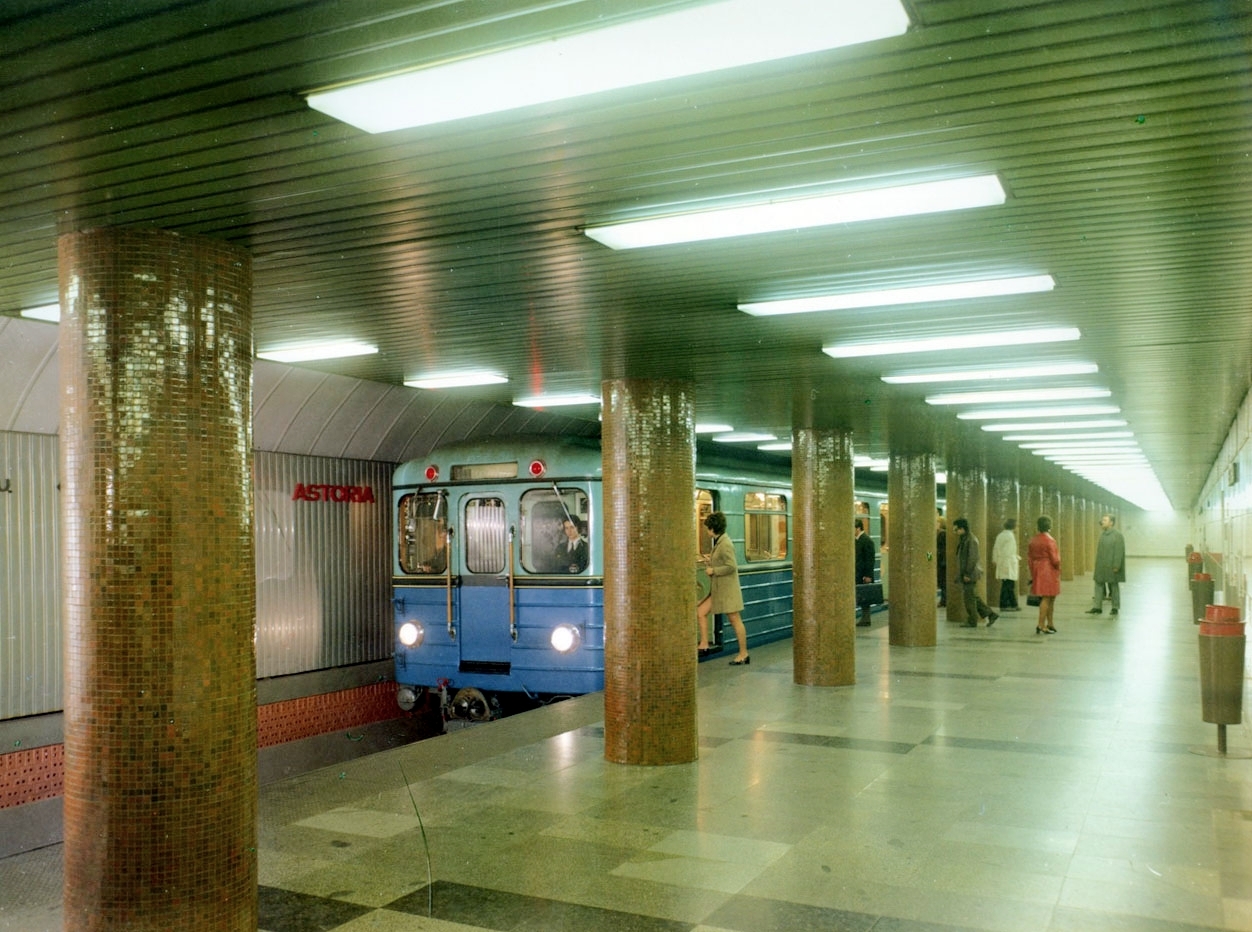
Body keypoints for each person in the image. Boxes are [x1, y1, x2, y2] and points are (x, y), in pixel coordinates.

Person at [696, 511, 749, 664]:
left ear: (713, 529)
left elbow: (731, 566)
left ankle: (744, 654)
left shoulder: (725, 544)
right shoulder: (720, 542)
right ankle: (704, 644)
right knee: (700, 612)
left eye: (708, 528)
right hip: (719, 590)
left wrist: (714, 570)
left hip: (727, 590)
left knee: (735, 620)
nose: (707, 531)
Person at [952, 517, 998, 628]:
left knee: (969, 598)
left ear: (962, 528)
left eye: (956, 529)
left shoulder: (970, 539)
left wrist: (967, 574)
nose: (955, 532)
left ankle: (972, 620)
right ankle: (990, 614)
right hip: (967, 573)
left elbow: (972, 558)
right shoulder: (965, 538)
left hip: (970, 573)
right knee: (972, 596)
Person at [1087, 514, 1126, 616]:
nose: (1102, 522)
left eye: (1105, 520)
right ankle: (1097, 607)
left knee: (1114, 586)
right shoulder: (1103, 534)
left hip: (1112, 565)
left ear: (1111, 523)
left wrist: (1116, 565)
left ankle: (1115, 608)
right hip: (1101, 565)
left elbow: (1119, 551)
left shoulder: (1117, 535)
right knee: (1098, 584)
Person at [1028, 515, 1061, 633]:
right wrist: (1058, 568)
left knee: (1049, 597)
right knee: (1048, 598)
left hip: (1038, 569)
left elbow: (1030, 558)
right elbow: (1055, 560)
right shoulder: (1050, 540)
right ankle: (1041, 624)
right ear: (1049, 526)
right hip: (1049, 570)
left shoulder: (1033, 540)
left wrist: (1033, 572)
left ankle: (1050, 624)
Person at [991, 518, 1021, 611]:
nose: (1018, 528)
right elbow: (1007, 551)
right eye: (1017, 526)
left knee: (1009, 584)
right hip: (1007, 563)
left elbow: (996, 548)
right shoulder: (1009, 536)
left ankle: (1013, 604)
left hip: (1006, 562)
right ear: (1013, 526)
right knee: (1008, 585)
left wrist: (995, 559)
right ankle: (1005, 604)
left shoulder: (1002, 535)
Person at [855, 518, 876, 626]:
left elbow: (869, 560)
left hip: (864, 574)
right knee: (861, 596)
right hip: (858, 573)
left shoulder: (866, 540)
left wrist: (868, 575)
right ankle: (865, 618)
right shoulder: (857, 540)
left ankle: (866, 619)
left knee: (865, 597)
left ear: (858, 528)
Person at [935, 511, 947, 607]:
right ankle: (943, 600)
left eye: (937, 522)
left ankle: (943, 600)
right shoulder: (940, 534)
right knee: (943, 582)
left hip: (941, 562)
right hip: (941, 561)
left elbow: (934, 549)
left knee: (943, 582)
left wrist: (929, 560)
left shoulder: (941, 534)